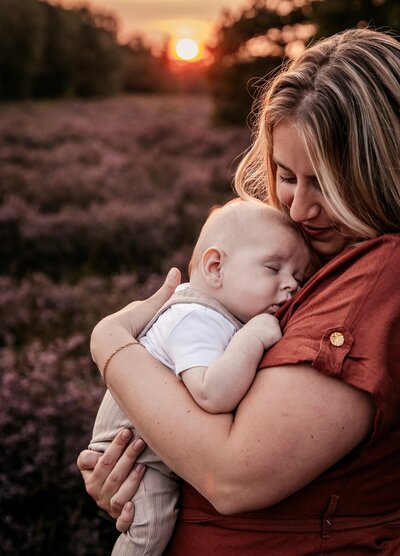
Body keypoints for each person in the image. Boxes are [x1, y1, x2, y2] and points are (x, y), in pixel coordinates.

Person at [78, 27, 400, 554]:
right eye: (285, 175)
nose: (297, 208)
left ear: (381, 169)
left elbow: (233, 476)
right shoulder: (314, 260)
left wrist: (110, 343)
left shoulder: (381, 272)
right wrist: (141, 471)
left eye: (324, 181)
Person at [89, 198, 310, 555]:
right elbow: (211, 394)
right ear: (215, 266)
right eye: (273, 268)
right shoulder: (196, 318)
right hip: (134, 451)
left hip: (158, 443)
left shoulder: (218, 314)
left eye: (299, 277)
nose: (291, 286)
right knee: (149, 529)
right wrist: (252, 338)